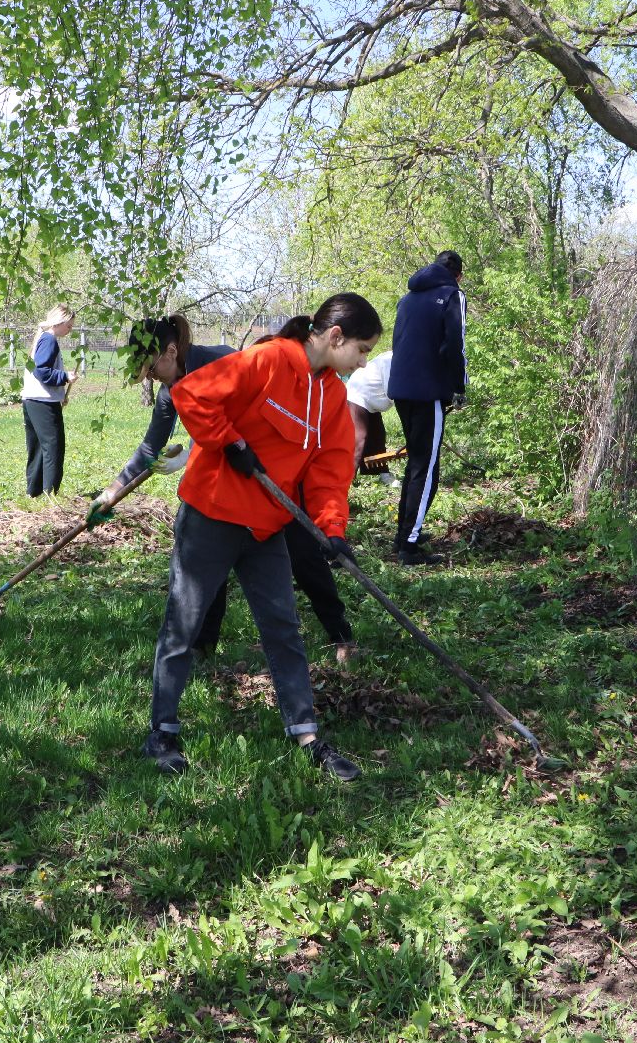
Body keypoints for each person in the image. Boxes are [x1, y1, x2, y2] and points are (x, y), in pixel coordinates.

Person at [139, 293, 383, 782]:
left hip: (267, 525)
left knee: (283, 629)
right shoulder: (268, 359)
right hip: (212, 513)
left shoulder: (333, 394)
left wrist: (332, 529)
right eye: (361, 349)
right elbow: (193, 395)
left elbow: (330, 471)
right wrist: (231, 443)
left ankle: (307, 735)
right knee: (183, 624)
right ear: (335, 337)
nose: (363, 361)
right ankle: (162, 731)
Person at [92, 316, 357, 665]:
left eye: (151, 367)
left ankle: (340, 634)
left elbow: (246, 413)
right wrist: (112, 491)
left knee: (305, 555)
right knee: (206, 563)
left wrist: (196, 448)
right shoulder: (170, 392)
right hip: (224, 489)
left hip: (276, 481)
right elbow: (149, 448)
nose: (151, 376)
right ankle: (203, 647)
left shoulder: (220, 360)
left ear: (171, 351)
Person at [388, 250, 467, 566]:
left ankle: (403, 534)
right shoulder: (452, 295)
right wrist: (458, 386)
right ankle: (409, 546)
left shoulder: (407, 298)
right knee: (428, 467)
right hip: (428, 391)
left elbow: (398, 342)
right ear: (457, 275)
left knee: (417, 464)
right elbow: (455, 343)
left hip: (401, 389)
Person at [22, 304, 78, 498]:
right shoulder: (49, 340)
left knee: (38, 447)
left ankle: (34, 492)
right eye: (69, 326)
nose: (69, 330)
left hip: (32, 400)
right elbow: (42, 371)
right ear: (59, 322)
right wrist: (64, 377)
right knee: (53, 447)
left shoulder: (42, 338)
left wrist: (60, 393)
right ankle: (49, 493)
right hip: (43, 402)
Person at [344, 350, 398, 487]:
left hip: (372, 403)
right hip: (358, 396)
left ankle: (383, 474)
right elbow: (392, 390)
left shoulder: (410, 361)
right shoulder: (390, 359)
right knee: (358, 440)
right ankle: (345, 482)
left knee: (378, 437)